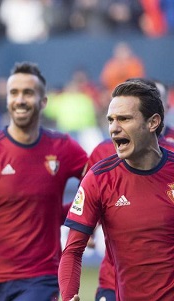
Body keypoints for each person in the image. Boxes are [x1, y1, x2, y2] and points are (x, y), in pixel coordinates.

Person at [0, 62, 88, 301]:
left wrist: (76, 217)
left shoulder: (63, 148)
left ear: (43, 102)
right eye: (14, 93)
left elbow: (100, 185)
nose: (20, 99)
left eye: (28, 93)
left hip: (41, 278)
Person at [59, 80, 174, 301]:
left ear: (153, 122)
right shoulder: (99, 178)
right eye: (111, 120)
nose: (114, 127)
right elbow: (72, 251)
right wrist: (68, 296)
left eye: (124, 119)